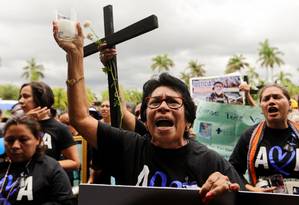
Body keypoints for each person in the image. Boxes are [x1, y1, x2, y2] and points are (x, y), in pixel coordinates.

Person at [53, 21, 244, 203]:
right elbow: (80, 118)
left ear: (188, 119)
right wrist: (75, 56)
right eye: (154, 103)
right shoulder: (129, 148)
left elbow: (243, 198)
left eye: (172, 102)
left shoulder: (211, 162)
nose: (162, 107)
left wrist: (226, 191)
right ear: (145, 118)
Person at [229, 84, 299, 194]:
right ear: (261, 108)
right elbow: (232, 169)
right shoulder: (249, 135)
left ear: (289, 104)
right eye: (266, 99)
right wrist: (251, 189)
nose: (271, 101)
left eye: (276, 97)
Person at [1, 116, 75, 204]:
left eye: (23, 140)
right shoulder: (2, 164)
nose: (15, 146)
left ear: (38, 140)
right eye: (10, 140)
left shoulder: (51, 169)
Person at [18, 82, 80, 172]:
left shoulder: (59, 129)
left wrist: (44, 165)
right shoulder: (19, 125)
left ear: (40, 99)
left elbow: (75, 162)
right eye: (20, 97)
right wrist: (26, 120)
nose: (20, 101)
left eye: (26, 96)